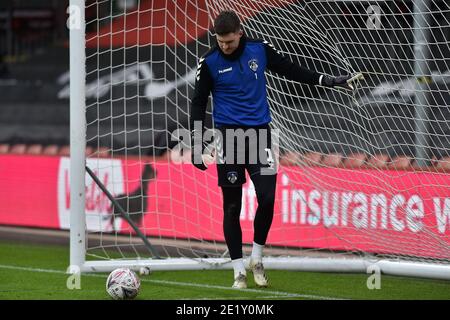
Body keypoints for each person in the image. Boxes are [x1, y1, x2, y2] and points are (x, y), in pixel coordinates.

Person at [190, 10, 360, 289]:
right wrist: (197, 144)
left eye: (230, 42)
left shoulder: (259, 50)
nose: (226, 47)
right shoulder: (209, 62)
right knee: (232, 207)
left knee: (267, 199)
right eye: (221, 42)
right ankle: (238, 272)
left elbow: (291, 69)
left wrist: (326, 80)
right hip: (228, 139)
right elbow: (198, 103)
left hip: (260, 137)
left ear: (240, 33)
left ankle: (257, 257)